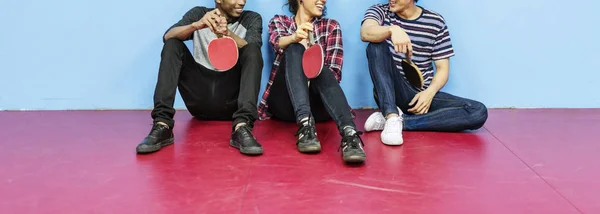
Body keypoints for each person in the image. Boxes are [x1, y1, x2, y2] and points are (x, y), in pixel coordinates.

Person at [136, 0, 265, 156]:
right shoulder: (199, 14)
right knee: (172, 45)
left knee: (252, 50)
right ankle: (162, 125)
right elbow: (168, 36)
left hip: (232, 103)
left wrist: (227, 34)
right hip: (199, 100)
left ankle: (242, 127)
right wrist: (197, 25)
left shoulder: (252, 18)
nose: (242, 2)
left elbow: (253, 49)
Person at [360, 0, 488, 145]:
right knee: (376, 46)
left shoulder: (435, 22)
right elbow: (366, 32)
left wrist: (429, 93)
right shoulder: (380, 11)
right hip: (390, 93)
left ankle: (401, 122)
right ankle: (391, 114)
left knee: (478, 111)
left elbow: (442, 69)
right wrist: (392, 29)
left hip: (421, 96)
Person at [257, 0, 366, 163]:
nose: (322, 0)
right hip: (285, 104)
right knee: (294, 48)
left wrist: (312, 59)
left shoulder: (331, 27)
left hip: (319, 106)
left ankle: (350, 134)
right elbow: (277, 42)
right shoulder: (280, 21)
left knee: (320, 64)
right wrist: (294, 38)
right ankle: (305, 126)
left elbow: (334, 76)